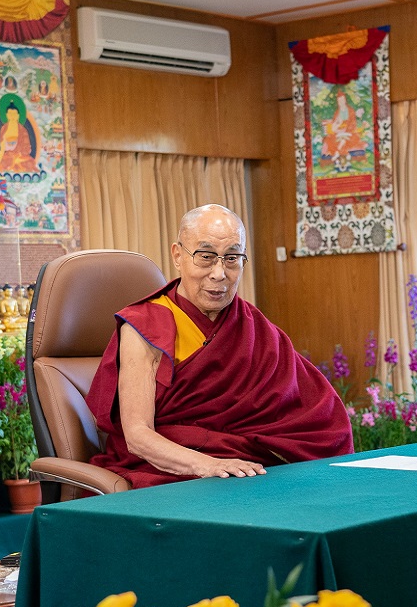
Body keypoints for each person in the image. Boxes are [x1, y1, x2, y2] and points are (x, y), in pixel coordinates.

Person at [85, 204, 353, 487]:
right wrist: (209, 465)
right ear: (178, 255)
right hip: (167, 472)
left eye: (232, 258)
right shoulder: (145, 325)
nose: (219, 273)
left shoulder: (251, 326)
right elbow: (138, 437)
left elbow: (319, 418)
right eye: (206, 257)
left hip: (242, 469)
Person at [0, 103, 38, 174]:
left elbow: (27, 147)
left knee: (30, 162)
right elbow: (2, 149)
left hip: (20, 156)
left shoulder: (22, 129)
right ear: (7, 115)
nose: (12, 116)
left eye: (14, 114)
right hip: (8, 156)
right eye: (10, 114)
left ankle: (17, 165)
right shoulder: (4, 129)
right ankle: (15, 165)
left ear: (18, 116)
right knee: (3, 162)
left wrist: (20, 154)